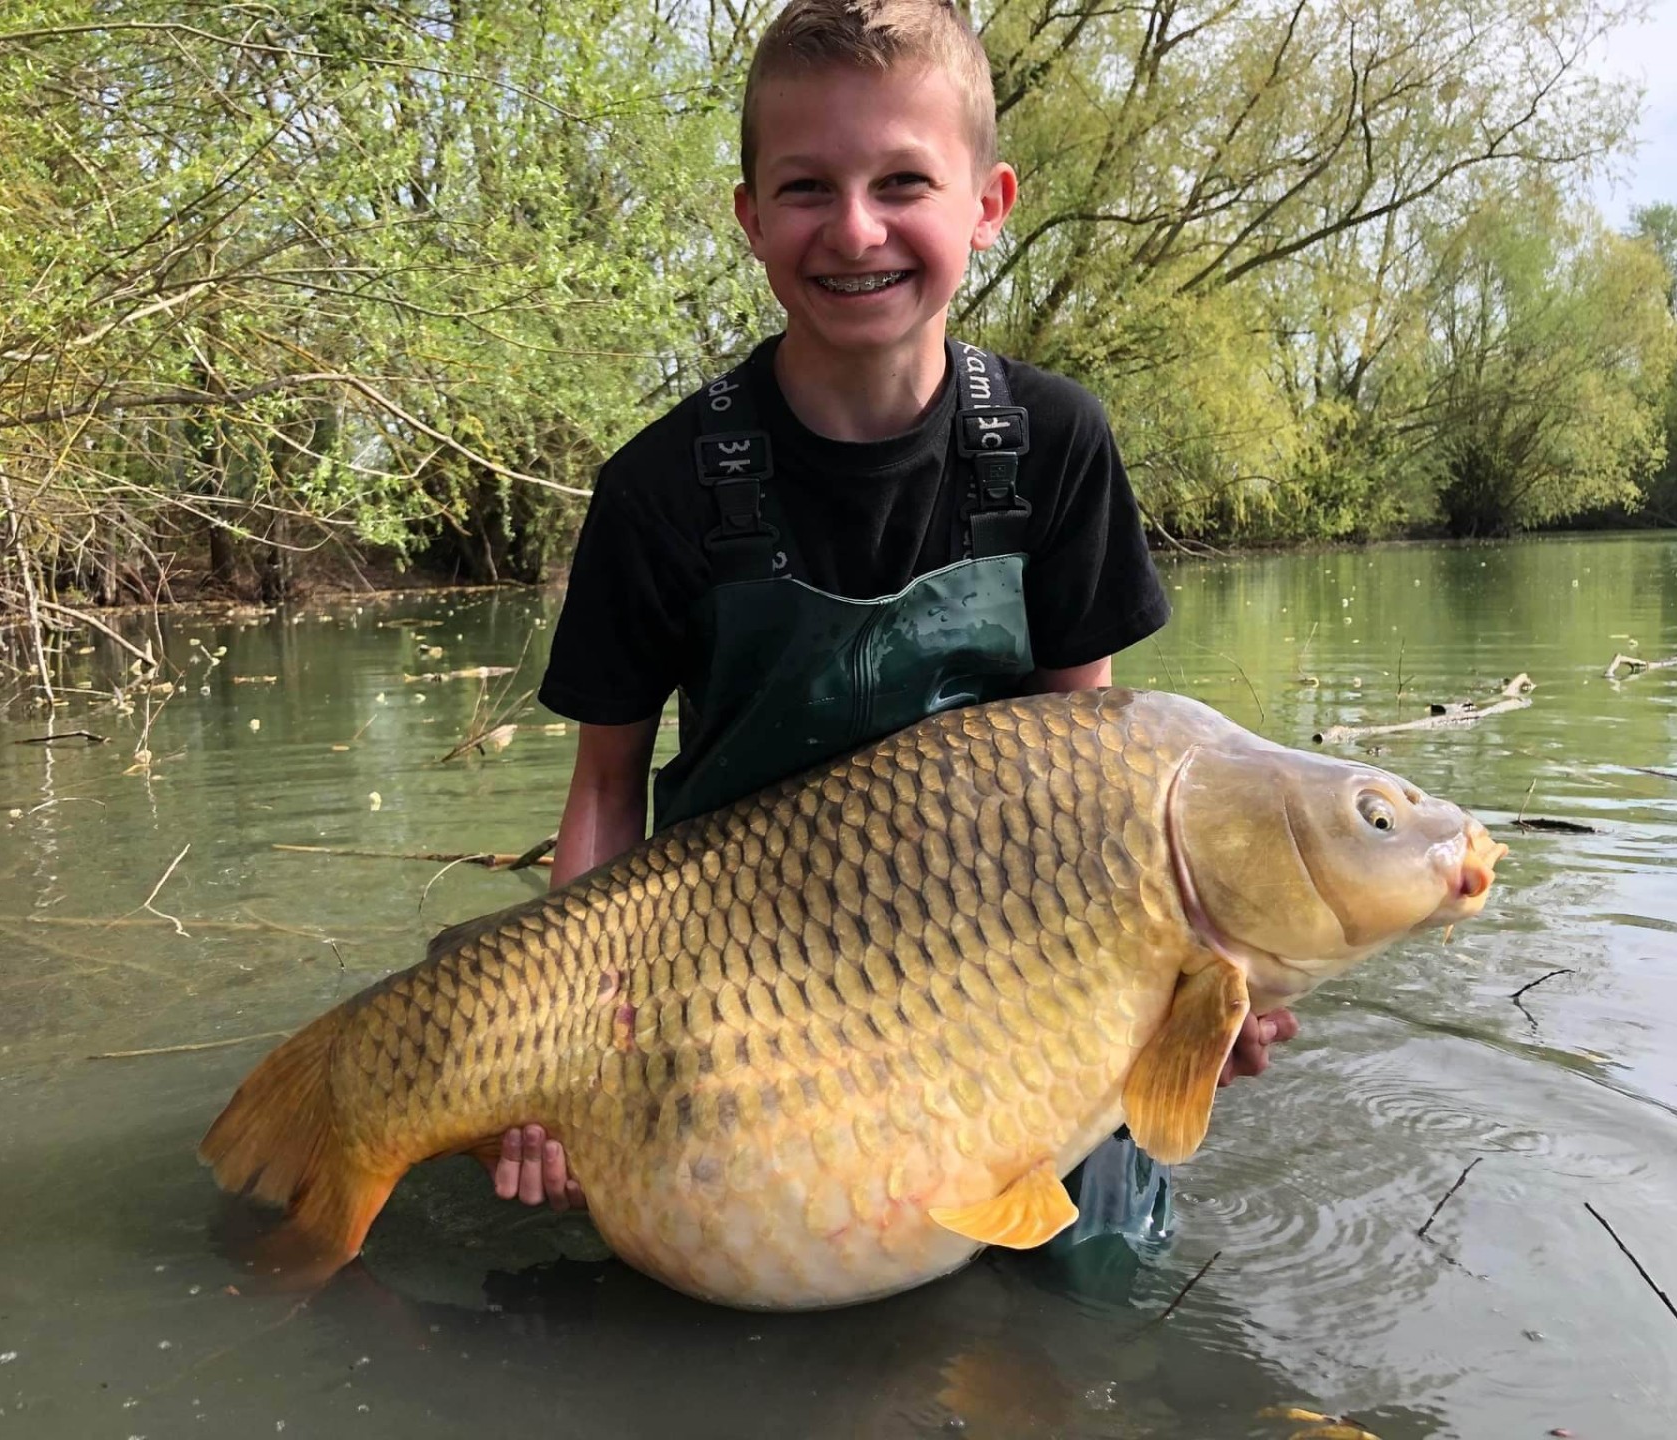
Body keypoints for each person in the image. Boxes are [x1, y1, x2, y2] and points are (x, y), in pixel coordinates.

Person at [479, 0, 1296, 1233]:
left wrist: (1177, 1004)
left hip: (1000, 982)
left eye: (902, 181)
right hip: (734, 990)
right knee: (687, 1296)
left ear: (987, 202)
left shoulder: (1058, 444)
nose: (855, 229)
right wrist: (558, 1048)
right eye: (807, 187)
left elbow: (1095, 782)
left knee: (1095, 1284)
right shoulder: (656, 490)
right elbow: (605, 791)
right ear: (750, 217)